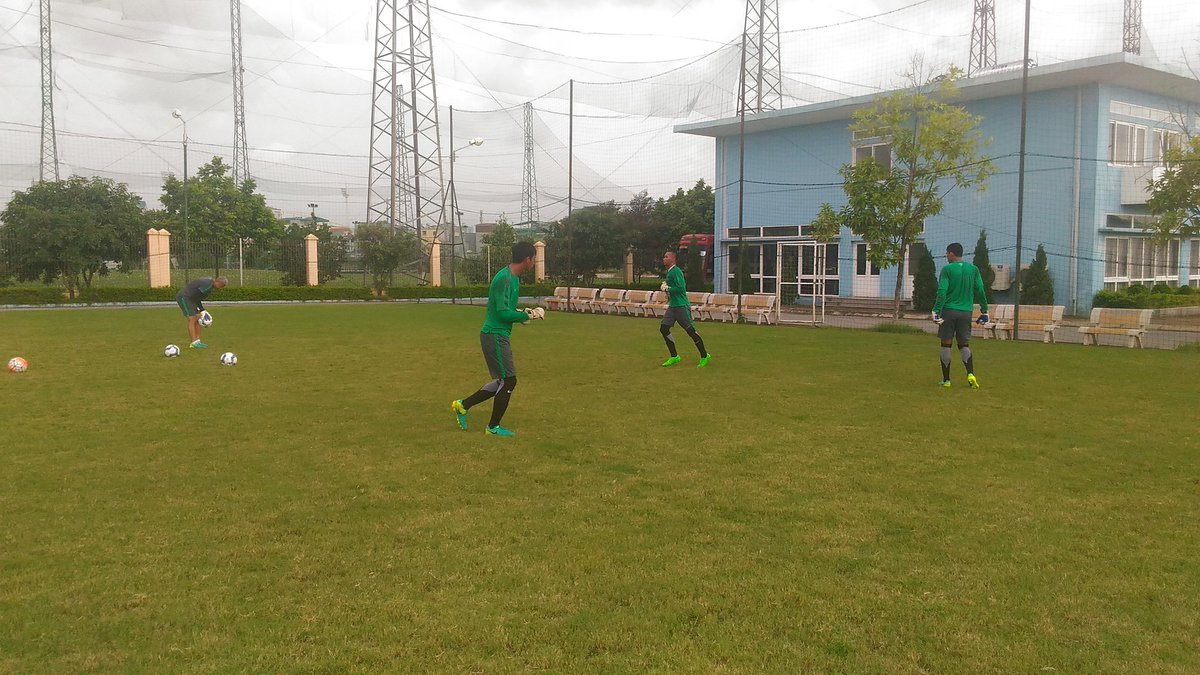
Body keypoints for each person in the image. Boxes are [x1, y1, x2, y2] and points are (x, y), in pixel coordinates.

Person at [451, 241, 542, 437]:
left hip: (499, 334)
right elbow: (501, 313)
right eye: (534, 259)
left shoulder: (513, 278)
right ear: (527, 259)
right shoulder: (505, 279)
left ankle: (462, 405)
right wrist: (528, 315)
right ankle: (492, 428)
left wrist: (521, 312)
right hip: (494, 334)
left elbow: (507, 309)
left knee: (503, 380)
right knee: (509, 381)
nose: (534, 263)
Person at [931, 243, 988, 389]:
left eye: (947, 254)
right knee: (963, 344)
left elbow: (942, 291)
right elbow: (980, 290)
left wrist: (936, 310)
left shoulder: (947, 269)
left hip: (949, 311)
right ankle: (970, 374)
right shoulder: (973, 269)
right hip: (966, 312)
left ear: (951, 254)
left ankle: (947, 380)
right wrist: (984, 310)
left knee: (946, 344)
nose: (946, 256)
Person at [658, 249, 710, 368]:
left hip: (681, 306)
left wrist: (667, 289)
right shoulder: (670, 272)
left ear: (672, 258)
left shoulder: (676, 271)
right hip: (673, 307)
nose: (664, 258)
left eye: (666, 257)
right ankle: (674, 356)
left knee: (690, 331)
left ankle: (704, 355)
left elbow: (681, 288)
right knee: (664, 328)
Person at [176, 276, 227, 349]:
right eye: (221, 286)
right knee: (192, 319)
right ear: (217, 282)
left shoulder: (210, 285)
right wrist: (200, 309)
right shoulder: (207, 285)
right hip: (184, 297)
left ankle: (197, 341)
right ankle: (193, 343)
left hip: (191, 299)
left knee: (198, 319)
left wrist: (201, 310)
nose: (220, 288)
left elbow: (196, 296)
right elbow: (196, 296)